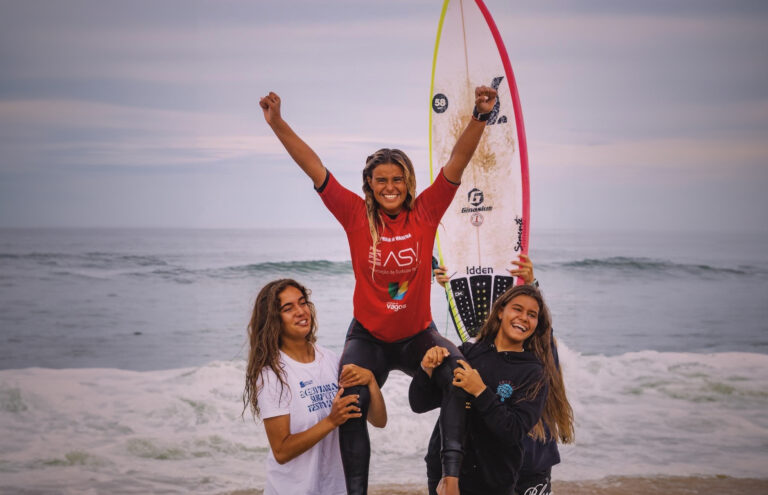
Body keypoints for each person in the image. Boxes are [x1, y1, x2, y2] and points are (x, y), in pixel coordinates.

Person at [259, 86, 498, 495]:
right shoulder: (354, 214)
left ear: (408, 182)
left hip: (417, 337)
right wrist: (278, 123)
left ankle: (450, 480)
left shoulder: (425, 212)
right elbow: (314, 167)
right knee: (350, 399)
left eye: (398, 180)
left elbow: (457, 162)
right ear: (369, 184)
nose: (390, 187)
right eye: (381, 180)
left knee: (460, 373)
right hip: (368, 338)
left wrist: (479, 115)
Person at [431, 255, 574, 495]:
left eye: (532, 315)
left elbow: (541, 334)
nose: (522, 319)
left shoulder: (537, 367)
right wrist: (453, 286)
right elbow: (476, 327)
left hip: (531, 463)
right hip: (487, 466)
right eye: (516, 309)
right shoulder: (482, 353)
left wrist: (532, 284)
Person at [242, 279, 387, 495]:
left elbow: (379, 420)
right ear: (274, 320)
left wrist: (371, 381)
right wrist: (331, 421)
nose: (301, 312)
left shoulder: (331, 360)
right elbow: (281, 451)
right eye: (288, 308)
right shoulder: (272, 374)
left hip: (336, 488)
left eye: (303, 303)